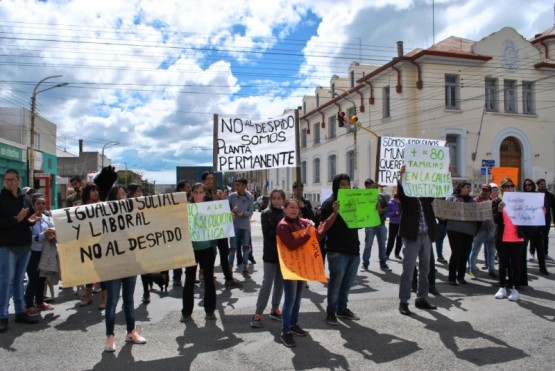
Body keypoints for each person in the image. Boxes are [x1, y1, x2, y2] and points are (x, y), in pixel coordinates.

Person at [104, 185, 146, 352]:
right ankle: (109, 337)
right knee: (112, 301)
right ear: (113, 198)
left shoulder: (132, 214)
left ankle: (131, 332)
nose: (124, 196)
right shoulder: (105, 215)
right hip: (113, 263)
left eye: (124, 194)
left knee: (129, 299)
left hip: (130, 261)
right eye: (120, 194)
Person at [0, 169, 41, 332]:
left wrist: (31, 221)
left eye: (11, 180)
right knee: (5, 282)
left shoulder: (25, 199)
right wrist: (15, 219)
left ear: (18, 180)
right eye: (6, 180)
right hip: (7, 246)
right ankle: (2, 316)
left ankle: (20, 311)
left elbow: (28, 220)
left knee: (18, 281)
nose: (8, 182)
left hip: (24, 245)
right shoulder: (1, 198)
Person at [276, 198, 320, 347]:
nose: (294, 209)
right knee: (290, 299)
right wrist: (307, 235)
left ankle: (293, 324)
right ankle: (285, 331)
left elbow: (315, 239)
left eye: (296, 207)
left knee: (298, 298)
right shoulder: (283, 225)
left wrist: (320, 231)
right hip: (291, 268)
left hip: (303, 266)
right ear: (284, 209)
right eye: (291, 207)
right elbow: (291, 245)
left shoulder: (302, 222)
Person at [396, 166, 439, 315]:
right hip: (412, 238)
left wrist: (445, 173)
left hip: (426, 237)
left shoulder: (425, 197)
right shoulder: (407, 196)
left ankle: (422, 298)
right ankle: (404, 301)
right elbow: (400, 192)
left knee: (425, 269)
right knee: (408, 270)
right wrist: (402, 176)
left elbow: (438, 188)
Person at [319, 173, 361, 326]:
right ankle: (331, 312)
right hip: (336, 250)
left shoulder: (352, 202)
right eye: (342, 184)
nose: (346, 187)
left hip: (353, 249)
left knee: (347, 283)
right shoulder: (329, 203)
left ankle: (342, 309)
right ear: (336, 186)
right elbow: (323, 227)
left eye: (347, 184)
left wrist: (373, 211)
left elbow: (360, 223)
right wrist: (335, 212)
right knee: (335, 284)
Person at [181, 183, 217, 322]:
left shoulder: (210, 209)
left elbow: (218, 224)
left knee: (209, 280)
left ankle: (210, 311)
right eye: (195, 192)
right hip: (191, 249)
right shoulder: (185, 209)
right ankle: (186, 312)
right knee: (189, 281)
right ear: (191, 194)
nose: (198, 195)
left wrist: (227, 219)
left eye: (201, 192)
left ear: (204, 194)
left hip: (207, 249)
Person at [250, 189, 285, 328]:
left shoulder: (286, 212)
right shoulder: (266, 213)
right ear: (271, 199)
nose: (276, 200)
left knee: (280, 284)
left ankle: (275, 310)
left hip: (284, 255)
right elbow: (268, 234)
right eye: (274, 198)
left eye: (279, 198)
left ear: (283, 199)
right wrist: (284, 229)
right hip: (270, 254)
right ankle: (258, 313)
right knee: (267, 284)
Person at [202, 172, 238, 287]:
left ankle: (228, 278)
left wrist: (223, 201)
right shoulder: (201, 193)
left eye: (212, 179)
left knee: (224, 253)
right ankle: (208, 276)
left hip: (221, 229)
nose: (210, 181)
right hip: (208, 230)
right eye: (208, 179)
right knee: (210, 255)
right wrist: (213, 201)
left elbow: (224, 209)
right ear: (204, 181)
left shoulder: (219, 191)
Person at [493, 178, 525, 301]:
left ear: (514, 187)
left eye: (510, 186)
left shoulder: (521, 201)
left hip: (517, 238)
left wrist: (540, 213)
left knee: (516, 264)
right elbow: (497, 220)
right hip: (503, 238)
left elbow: (529, 217)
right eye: (505, 187)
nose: (508, 188)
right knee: (503, 263)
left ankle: (515, 289)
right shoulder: (497, 202)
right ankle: (502, 287)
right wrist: (500, 210)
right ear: (502, 189)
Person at [25, 194, 57, 315]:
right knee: (33, 279)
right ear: (33, 205)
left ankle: (39, 302)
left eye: (43, 203)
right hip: (33, 253)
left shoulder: (47, 217)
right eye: (38, 203)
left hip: (45, 253)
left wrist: (52, 232)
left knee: (42, 279)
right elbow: (30, 238)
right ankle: (28, 305)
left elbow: (53, 228)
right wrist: (44, 235)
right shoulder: (30, 220)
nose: (41, 206)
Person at [78, 182, 109, 309]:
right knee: (88, 270)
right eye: (92, 190)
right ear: (87, 192)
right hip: (86, 243)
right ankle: (88, 296)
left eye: (97, 190)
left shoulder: (103, 206)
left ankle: (104, 298)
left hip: (101, 243)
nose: (96, 192)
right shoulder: (79, 207)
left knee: (102, 271)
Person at [446, 182, 479, 286]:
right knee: (456, 253)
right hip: (454, 229)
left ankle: (461, 277)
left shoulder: (472, 201)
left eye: (470, 187)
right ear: (460, 188)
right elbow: (445, 211)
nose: (469, 189)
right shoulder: (452, 198)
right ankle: (452, 278)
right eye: (467, 187)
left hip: (469, 231)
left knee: (465, 254)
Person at [468, 184, 497, 279]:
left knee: (491, 251)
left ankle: (491, 269)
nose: (484, 192)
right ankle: (472, 269)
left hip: (491, 228)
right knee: (475, 249)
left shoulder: (493, 202)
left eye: (487, 190)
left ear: (490, 192)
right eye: (483, 190)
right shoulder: (475, 201)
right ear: (480, 190)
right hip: (480, 230)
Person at [361, 179, 391, 271]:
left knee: (382, 245)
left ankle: (383, 263)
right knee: (368, 245)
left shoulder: (381, 196)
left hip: (381, 224)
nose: (368, 186)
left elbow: (388, 207)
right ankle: (365, 264)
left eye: (370, 185)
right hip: (370, 224)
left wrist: (382, 211)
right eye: (366, 185)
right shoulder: (363, 196)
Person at [228, 178, 254, 278]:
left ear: (244, 186)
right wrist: (232, 211)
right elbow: (227, 210)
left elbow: (251, 212)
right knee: (232, 248)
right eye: (235, 185)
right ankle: (230, 269)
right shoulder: (232, 196)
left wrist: (244, 213)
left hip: (245, 226)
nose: (236, 187)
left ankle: (245, 268)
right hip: (234, 225)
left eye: (238, 185)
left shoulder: (250, 197)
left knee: (246, 248)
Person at [522, 179, 548, 276]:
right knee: (523, 248)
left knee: (540, 248)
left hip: (537, 226)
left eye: (529, 185)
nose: (527, 186)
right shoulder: (522, 196)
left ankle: (542, 267)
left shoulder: (539, 196)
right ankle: (523, 268)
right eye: (526, 185)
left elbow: (545, 208)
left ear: (533, 185)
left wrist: (544, 211)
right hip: (525, 227)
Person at [172, 180, 191, 287]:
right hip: (177, 233)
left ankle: (189, 276)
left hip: (188, 232)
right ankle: (177, 278)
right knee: (178, 257)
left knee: (189, 256)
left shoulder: (189, 199)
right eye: (187, 187)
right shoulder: (174, 200)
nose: (189, 189)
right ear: (181, 189)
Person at [536, 179, 555, 262]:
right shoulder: (535, 195)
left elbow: (554, 209)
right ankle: (532, 252)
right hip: (536, 220)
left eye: (544, 184)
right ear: (538, 185)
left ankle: (545, 253)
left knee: (545, 236)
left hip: (546, 219)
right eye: (541, 184)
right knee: (535, 237)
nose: (543, 185)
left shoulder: (550, 195)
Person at [384, 193, 403, 260]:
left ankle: (397, 254)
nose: (398, 200)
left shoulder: (401, 203)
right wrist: (395, 213)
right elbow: (386, 214)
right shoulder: (390, 203)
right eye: (398, 199)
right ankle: (387, 254)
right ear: (395, 198)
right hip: (393, 223)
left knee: (399, 240)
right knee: (391, 239)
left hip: (400, 224)